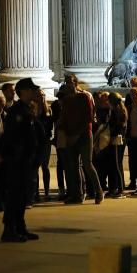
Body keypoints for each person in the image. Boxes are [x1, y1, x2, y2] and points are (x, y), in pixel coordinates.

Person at [0, 78, 40, 242]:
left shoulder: (26, 109)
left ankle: (20, 227)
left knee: (22, 196)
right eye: (31, 89)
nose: (34, 92)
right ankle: (9, 230)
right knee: (14, 196)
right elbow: (10, 136)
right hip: (17, 160)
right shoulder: (16, 111)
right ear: (23, 91)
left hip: (25, 160)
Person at [58, 76, 102, 205]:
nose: (67, 85)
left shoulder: (84, 97)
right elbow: (64, 118)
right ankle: (78, 194)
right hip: (71, 136)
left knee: (87, 164)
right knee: (74, 166)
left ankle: (98, 191)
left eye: (69, 83)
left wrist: (76, 135)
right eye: (66, 83)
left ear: (75, 83)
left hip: (84, 135)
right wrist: (65, 134)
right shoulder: (66, 100)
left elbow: (88, 117)